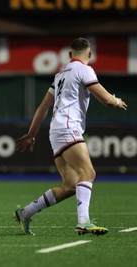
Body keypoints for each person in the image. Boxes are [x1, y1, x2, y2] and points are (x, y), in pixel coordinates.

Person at [14, 37, 127, 236]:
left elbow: (43, 107)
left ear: (69, 55)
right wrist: (116, 101)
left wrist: (31, 134)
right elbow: (106, 99)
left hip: (55, 131)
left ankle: (26, 212)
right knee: (88, 173)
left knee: (71, 186)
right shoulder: (84, 70)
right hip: (68, 127)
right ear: (89, 54)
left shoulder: (59, 75)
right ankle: (83, 221)